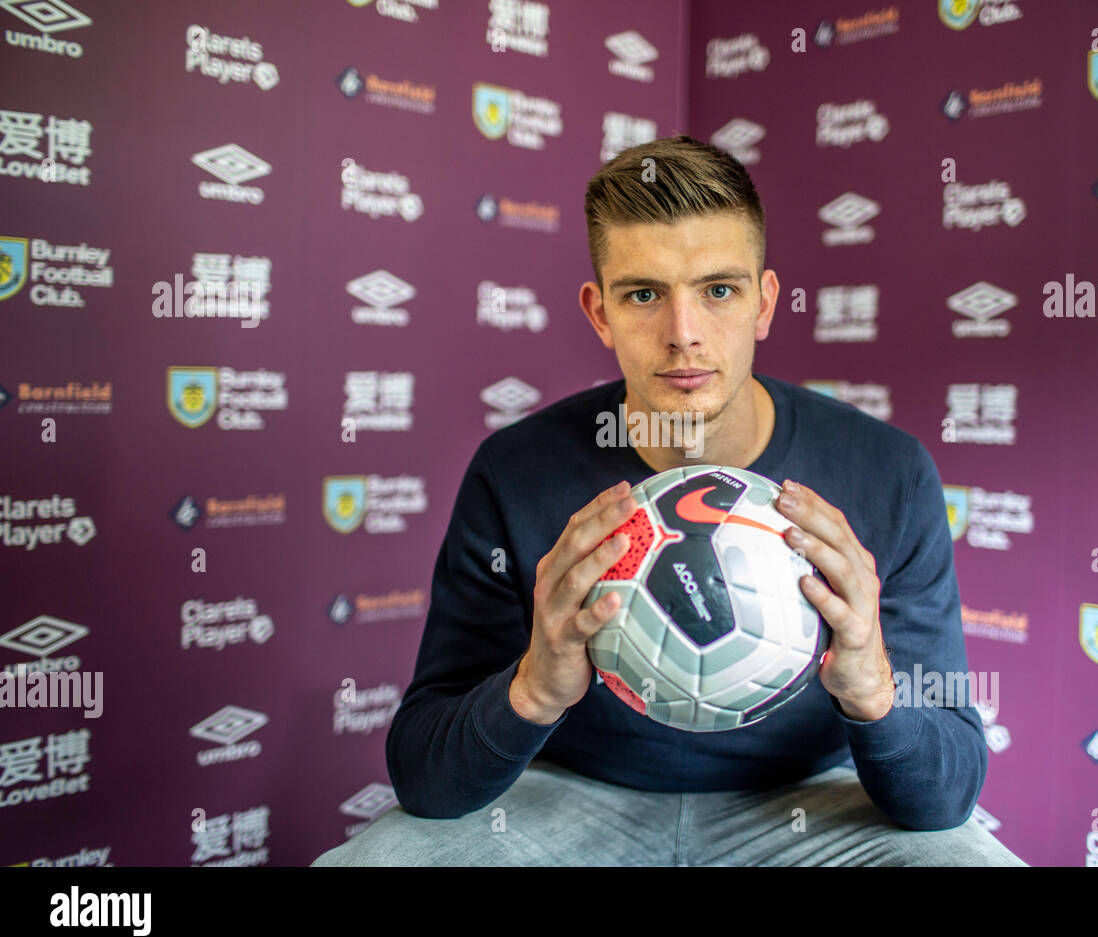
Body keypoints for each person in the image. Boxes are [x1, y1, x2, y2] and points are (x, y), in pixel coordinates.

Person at [313, 135, 1027, 866]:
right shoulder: (516, 472)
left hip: (809, 807)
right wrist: (531, 690)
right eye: (644, 294)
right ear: (600, 313)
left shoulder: (887, 474)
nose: (683, 334)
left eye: (718, 290)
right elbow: (425, 778)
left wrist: (875, 694)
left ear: (764, 302)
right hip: (568, 798)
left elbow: (947, 799)